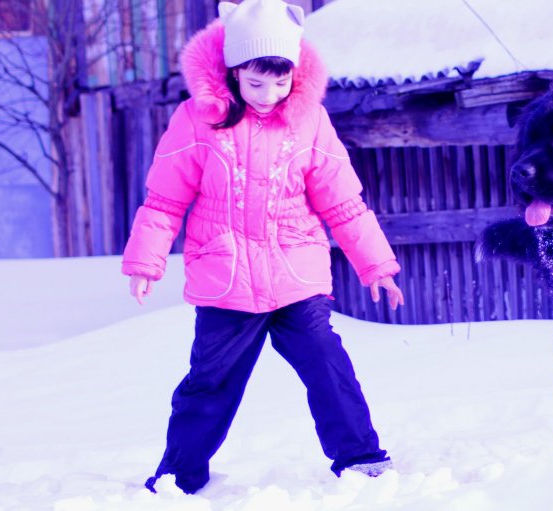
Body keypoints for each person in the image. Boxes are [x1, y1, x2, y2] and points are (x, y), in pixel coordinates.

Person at [121, 0, 404, 495]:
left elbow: (343, 201)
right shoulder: (195, 120)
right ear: (232, 72)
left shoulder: (309, 121)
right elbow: (165, 199)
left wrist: (376, 264)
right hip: (226, 281)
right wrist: (146, 261)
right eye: (256, 83)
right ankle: (178, 477)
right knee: (209, 383)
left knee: (328, 365)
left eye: (281, 82)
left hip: (296, 274)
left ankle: (362, 459)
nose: (270, 94)